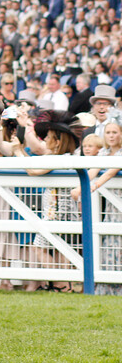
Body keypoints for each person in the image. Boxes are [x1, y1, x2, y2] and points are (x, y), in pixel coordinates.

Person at [15, 110, 83, 292]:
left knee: (39, 247)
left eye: (49, 137)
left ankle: (60, 283)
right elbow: (35, 165)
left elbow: (33, 171)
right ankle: (65, 285)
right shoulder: (63, 157)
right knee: (63, 252)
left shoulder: (60, 158)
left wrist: (17, 152)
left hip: (59, 213)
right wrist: (20, 150)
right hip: (63, 212)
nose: (45, 139)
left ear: (58, 141)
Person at [71, 123, 122, 295]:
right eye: (108, 132)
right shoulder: (104, 153)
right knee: (109, 244)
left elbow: (110, 172)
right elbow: (93, 171)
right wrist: (80, 187)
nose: (111, 135)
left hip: (117, 199)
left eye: (115, 132)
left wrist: (93, 186)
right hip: (110, 205)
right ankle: (108, 288)